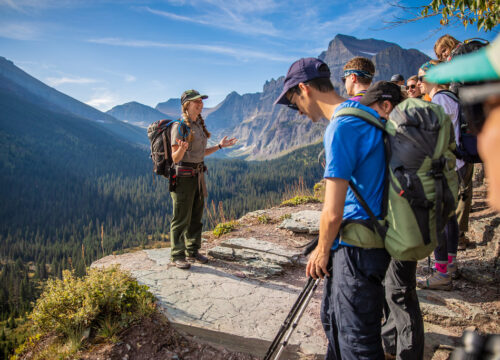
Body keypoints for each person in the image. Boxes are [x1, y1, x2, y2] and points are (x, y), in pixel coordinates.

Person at [275, 58, 391, 359]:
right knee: (334, 322)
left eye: (293, 102)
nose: (297, 111)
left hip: (357, 248)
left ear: (305, 88)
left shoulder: (341, 125)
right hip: (366, 243)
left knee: (357, 342)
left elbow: (333, 209)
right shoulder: (364, 112)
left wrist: (322, 249)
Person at [359, 82, 425, 359]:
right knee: (393, 290)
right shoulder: (409, 131)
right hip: (405, 224)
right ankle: (389, 347)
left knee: (399, 293)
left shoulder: (399, 134)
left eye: (372, 110)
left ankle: (408, 354)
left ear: (386, 106)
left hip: (404, 227)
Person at [426, 34, 500, 211]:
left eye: (443, 51)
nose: (444, 57)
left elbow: (459, 85)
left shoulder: (459, 55)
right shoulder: (476, 50)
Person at [170, 89, 237, 269]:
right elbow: (174, 158)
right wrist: (182, 149)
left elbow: (201, 154)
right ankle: (177, 254)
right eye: (195, 102)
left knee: (196, 215)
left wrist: (220, 146)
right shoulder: (179, 126)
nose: (200, 104)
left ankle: (192, 250)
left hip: (198, 175)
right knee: (181, 217)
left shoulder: (198, 124)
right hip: (183, 177)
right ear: (186, 105)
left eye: (201, 101)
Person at [416, 61, 460, 289]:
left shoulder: (440, 100)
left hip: (439, 168)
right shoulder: (452, 97)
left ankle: (442, 274)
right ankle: (450, 263)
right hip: (453, 165)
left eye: (422, 78)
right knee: (449, 217)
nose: (419, 83)